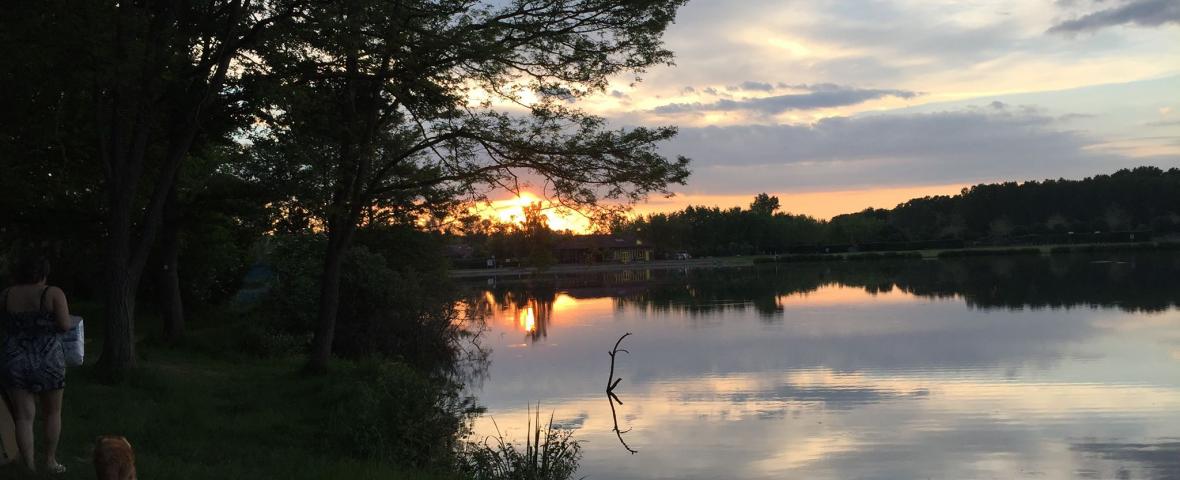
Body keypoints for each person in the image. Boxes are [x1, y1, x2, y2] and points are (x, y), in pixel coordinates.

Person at [0, 256, 75, 474]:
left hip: (14, 360)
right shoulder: (52, 293)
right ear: (43, 273)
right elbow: (63, 325)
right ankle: (50, 461)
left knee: (23, 416)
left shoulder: (5, 295)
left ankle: (29, 466)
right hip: (48, 360)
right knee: (52, 413)